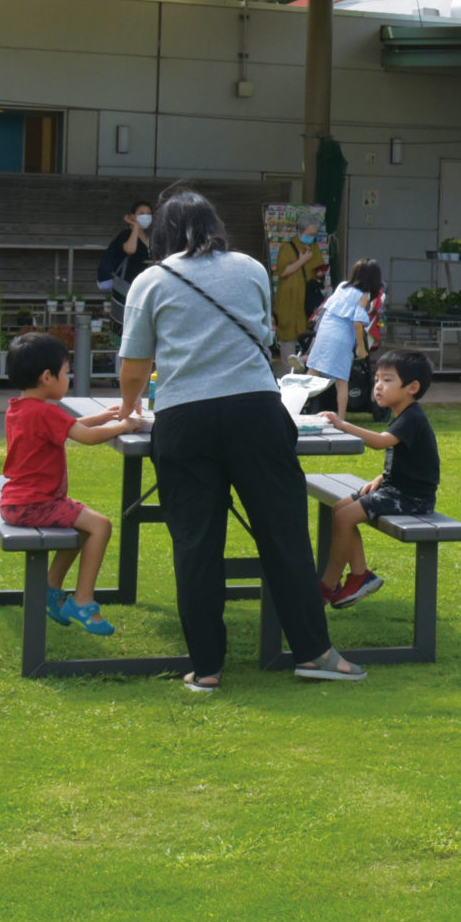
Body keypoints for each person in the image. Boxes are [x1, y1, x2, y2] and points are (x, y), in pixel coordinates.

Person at [117, 189, 361, 689]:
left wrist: (128, 409)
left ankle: (207, 667)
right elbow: (260, 333)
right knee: (284, 534)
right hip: (256, 411)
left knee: (196, 543)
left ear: (162, 232)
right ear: (215, 225)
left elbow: (135, 367)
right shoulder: (249, 268)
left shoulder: (150, 280)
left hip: (184, 418)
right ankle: (314, 652)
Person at [0, 332, 131, 636]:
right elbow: (85, 438)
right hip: (37, 503)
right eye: (66, 372)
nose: (68, 378)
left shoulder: (20, 408)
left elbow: (67, 428)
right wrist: (124, 426)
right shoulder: (46, 411)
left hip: (18, 501)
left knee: (83, 527)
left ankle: (49, 587)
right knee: (100, 526)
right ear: (47, 377)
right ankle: (83, 601)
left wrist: (101, 418)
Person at [314, 348, 440, 608]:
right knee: (340, 509)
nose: (378, 386)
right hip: (395, 489)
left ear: (412, 387)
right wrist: (381, 478)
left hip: (411, 498)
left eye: (387, 380)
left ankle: (327, 585)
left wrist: (342, 424)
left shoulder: (412, 417)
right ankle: (360, 575)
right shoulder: (404, 416)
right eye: (377, 380)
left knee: (345, 517)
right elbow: (409, 459)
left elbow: (381, 442)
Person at [305, 258, 382, 416]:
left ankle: (299, 408)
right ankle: (341, 418)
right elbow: (357, 322)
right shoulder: (363, 296)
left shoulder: (342, 286)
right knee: (341, 382)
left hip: (324, 333)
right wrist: (361, 348)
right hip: (341, 338)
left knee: (312, 373)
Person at [270, 214, 325, 360]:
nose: (311, 238)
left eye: (314, 235)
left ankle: (306, 367)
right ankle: (289, 370)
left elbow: (318, 269)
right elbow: (283, 272)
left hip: (308, 298)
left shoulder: (314, 247)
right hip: (290, 299)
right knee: (288, 336)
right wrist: (302, 261)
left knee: (310, 334)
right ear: (299, 231)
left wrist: (320, 273)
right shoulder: (287, 248)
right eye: (309, 234)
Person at [98, 200, 154, 305]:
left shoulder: (149, 237)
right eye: (141, 213)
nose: (146, 216)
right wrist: (135, 227)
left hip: (144, 286)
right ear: (132, 217)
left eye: (148, 214)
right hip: (125, 286)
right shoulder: (125, 235)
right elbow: (130, 250)